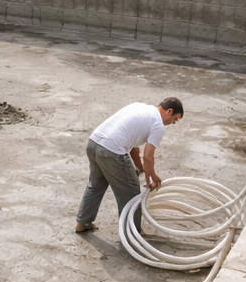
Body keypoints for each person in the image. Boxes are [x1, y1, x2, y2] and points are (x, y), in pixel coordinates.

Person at [75, 97, 184, 233]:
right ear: (169, 111)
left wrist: (142, 169)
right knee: (131, 193)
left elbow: (134, 148)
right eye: (176, 119)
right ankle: (132, 234)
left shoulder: (139, 107)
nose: (173, 123)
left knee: (96, 185)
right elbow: (148, 156)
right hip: (112, 151)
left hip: (94, 143)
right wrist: (152, 176)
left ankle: (82, 222)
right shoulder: (158, 125)